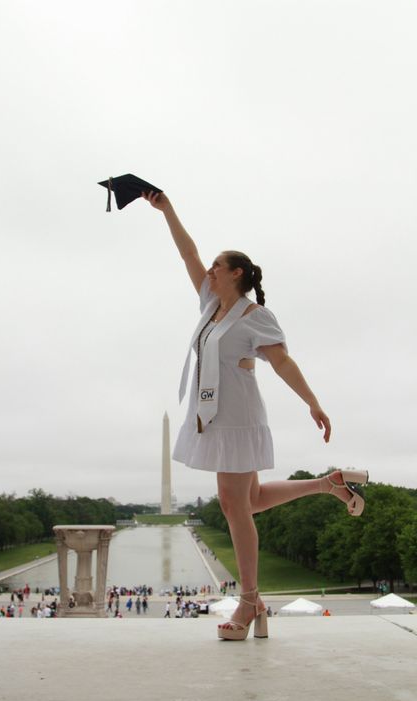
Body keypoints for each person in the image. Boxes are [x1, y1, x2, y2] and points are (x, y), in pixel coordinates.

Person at [144, 190, 369, 641]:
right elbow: (186, 252)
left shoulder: (255, 315)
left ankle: (249, 601)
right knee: (250, 500)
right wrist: (166, 209)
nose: (208, 270)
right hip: (212, 413)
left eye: (217, 266)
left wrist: (313, 401)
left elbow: (282, 362)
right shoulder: (211, 304)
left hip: (238, 415)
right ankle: (330, 483)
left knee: (233, 504)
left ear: (237, 273)